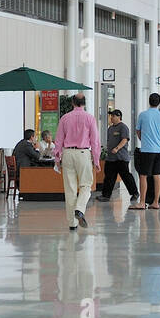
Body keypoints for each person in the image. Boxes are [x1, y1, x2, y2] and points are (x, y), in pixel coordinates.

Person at [55, 93, 101, 230]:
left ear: (72, 103)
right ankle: (80, 209)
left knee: (70, 189)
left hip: (68, 153)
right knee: (86, 185)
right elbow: (95, 141)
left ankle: (72, 224)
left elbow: (58, 140)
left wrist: (57, 158)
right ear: (84, 103)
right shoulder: (90, 118)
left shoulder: (65, 118)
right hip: (83, 153)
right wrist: (96, 160)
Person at [133, 93, 160, 210]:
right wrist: (159, 143)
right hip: (159, 150)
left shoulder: (143, 115)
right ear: (159, 102)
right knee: (157, 176)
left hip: (146, 150)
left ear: (149, 101)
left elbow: (138, 131)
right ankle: (156, 202)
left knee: (143, 176)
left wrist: (144, 140)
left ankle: (142, 202)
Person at [98, 109, 138, 202]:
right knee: (109, 177)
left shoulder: (123, 127)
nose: (111, 117)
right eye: (111, 116)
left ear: (119, 117)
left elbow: (125, 139)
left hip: (121, 158)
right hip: (111, 158)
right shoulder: (110, 128)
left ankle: (135, 193)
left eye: (113, 116)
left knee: (126, 176)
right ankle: (106, 195)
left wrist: (117, 148)